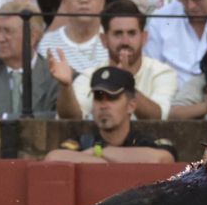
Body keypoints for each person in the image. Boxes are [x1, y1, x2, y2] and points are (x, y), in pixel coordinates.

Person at [56, 0, 176, 119]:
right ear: (104, 40)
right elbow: (71, 118)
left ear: (144, 38)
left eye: (132, 33)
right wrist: (66, 86)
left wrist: (126, 82)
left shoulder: (161, 73)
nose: (125, 41)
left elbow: (158, 118)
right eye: (118, 34)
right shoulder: (90, 76)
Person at [44, 65, 179, 163]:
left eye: (112, 98)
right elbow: (53, 158)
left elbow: (161, 159)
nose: (104, 105)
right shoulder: (84, 141)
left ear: (131, 106)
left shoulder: (144, 141)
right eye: (98, 98)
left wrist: (100, 152)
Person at [0, 2, 59, 118]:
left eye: (7, 31)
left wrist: (5, 117)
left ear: (32, 37)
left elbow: (60, 118)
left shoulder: (54, 76)